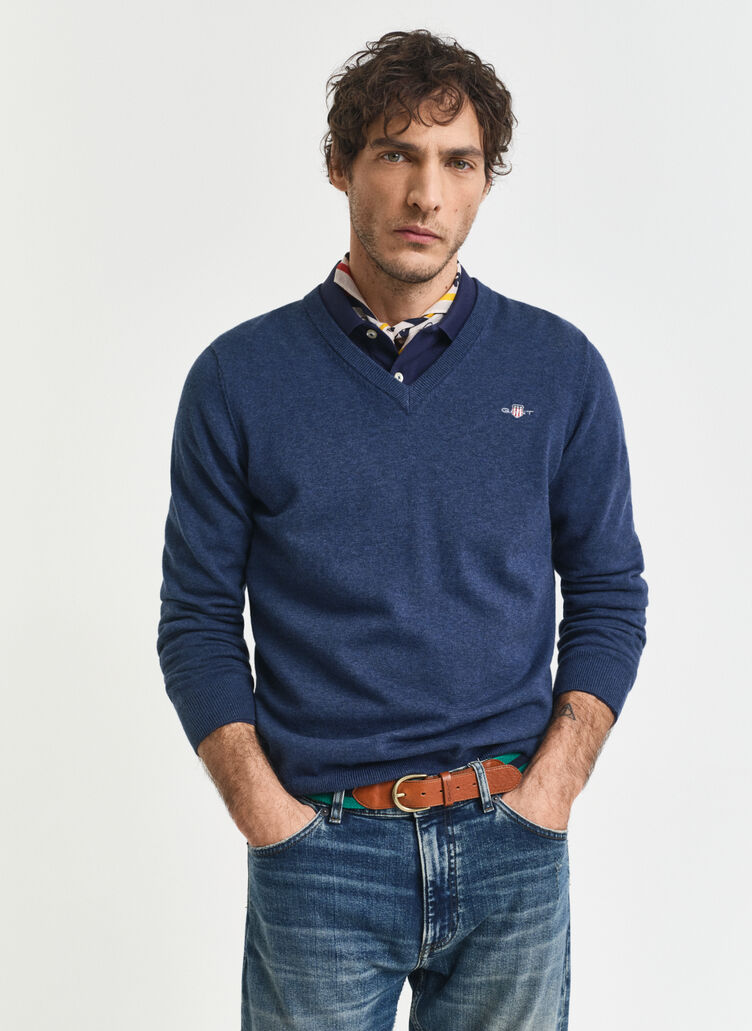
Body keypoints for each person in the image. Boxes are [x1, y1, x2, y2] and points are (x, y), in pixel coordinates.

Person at [157, 28, 648, 1031]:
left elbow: (609, 592)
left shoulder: (558, 368)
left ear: (483, 181)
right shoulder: (238, 379)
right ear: (340, 165)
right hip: (320, 852)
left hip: (510, 841)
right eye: (396, 154)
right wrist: (270, 819)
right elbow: (196, 621)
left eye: (457, 162)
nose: (426, 194)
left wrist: (550, 794)